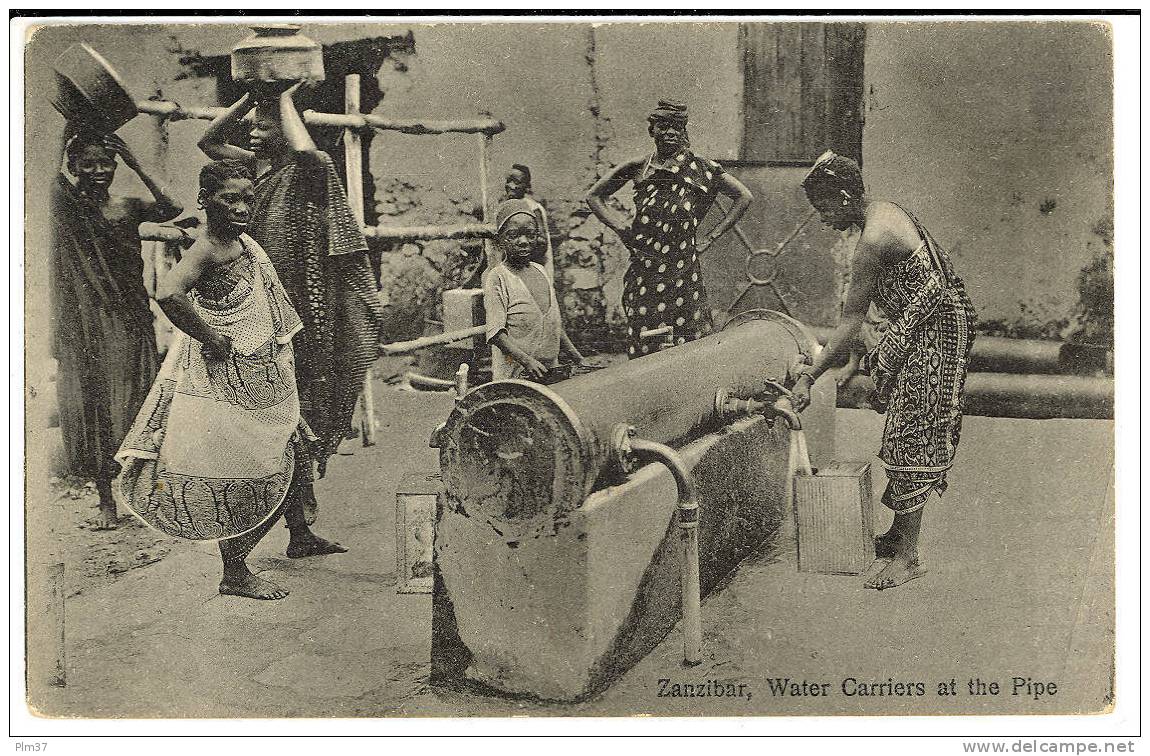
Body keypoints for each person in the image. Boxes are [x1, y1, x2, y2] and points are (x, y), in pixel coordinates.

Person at [117, 160, 343, 600]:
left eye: (248, 199)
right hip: (229, 377)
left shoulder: (238, 240)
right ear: (205, 201)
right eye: (230, 199)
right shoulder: (209, 248)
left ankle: (299, 534)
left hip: (263, 370)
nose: (242, 208)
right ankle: (234, 570)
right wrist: (212, 338)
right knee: (245, 464)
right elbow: (168, 292)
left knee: (292, 447)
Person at [198, 83, 382, 534]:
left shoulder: (310, 172)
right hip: (261, 310)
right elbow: (208, 142)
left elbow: (307, 152)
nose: (253, 132)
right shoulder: (248, 176)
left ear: (287, 129)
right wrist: (250, 98)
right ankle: (260, 531)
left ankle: (299, 528)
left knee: (306, 413)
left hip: (309, 313)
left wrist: (284, 101)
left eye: (265, 127)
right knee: (276, 415)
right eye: (251, 126)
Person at [790, 151, 976, 591]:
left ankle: (909, 556)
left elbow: (850, 322)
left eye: (824, 209)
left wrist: (808, 377)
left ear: (841, 195)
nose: (823, 220)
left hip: (939, 330)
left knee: (914, 431)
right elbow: (870, 315)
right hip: (929, 324)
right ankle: (897, 536)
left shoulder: (874, 238)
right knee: (904, 427)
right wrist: (856, 359)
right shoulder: (881, 212)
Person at [50, 129, 182, 529]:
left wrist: (135, 160)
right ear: (72, 168)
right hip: (84, 321)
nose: (97, 171)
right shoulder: (66, 208)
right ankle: (105, 499)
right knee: (92, 404)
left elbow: (171, 206)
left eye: (105, 163)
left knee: (134, 401)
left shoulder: (126, 207)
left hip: (127, 316)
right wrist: (65, 129)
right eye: (86, 164)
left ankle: (144, 494)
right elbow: (46, 180)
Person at [586, 99, 752, 358]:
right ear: (652, 130)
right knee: (645, 341)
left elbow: (743, 197)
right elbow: (594, 196)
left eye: (676, 127)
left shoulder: (701, 168)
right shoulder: (639, 167)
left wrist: (711, 237)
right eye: (663, 126)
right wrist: (620, 228)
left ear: (684, 131)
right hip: (645, 269)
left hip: (683, 272)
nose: (670, 133)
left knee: (688, 344)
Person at [484, 199, 589, 381]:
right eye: (513, 235)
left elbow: (555, 327)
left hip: (550, 374)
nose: (523, 241)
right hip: (517, 377)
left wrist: (578, 358)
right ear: (500, 240)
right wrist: (528, 362)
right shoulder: (498, 277)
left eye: (530, 235)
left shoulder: (540, 270)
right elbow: (496, 334)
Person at [502, 164, 554, 281]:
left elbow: (541, 243)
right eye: (509, 181)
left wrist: (520, 259)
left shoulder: (532, 207)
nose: (511, 186)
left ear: (526, 186)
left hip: (529, 269)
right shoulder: (506, 207)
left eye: (516, 182)